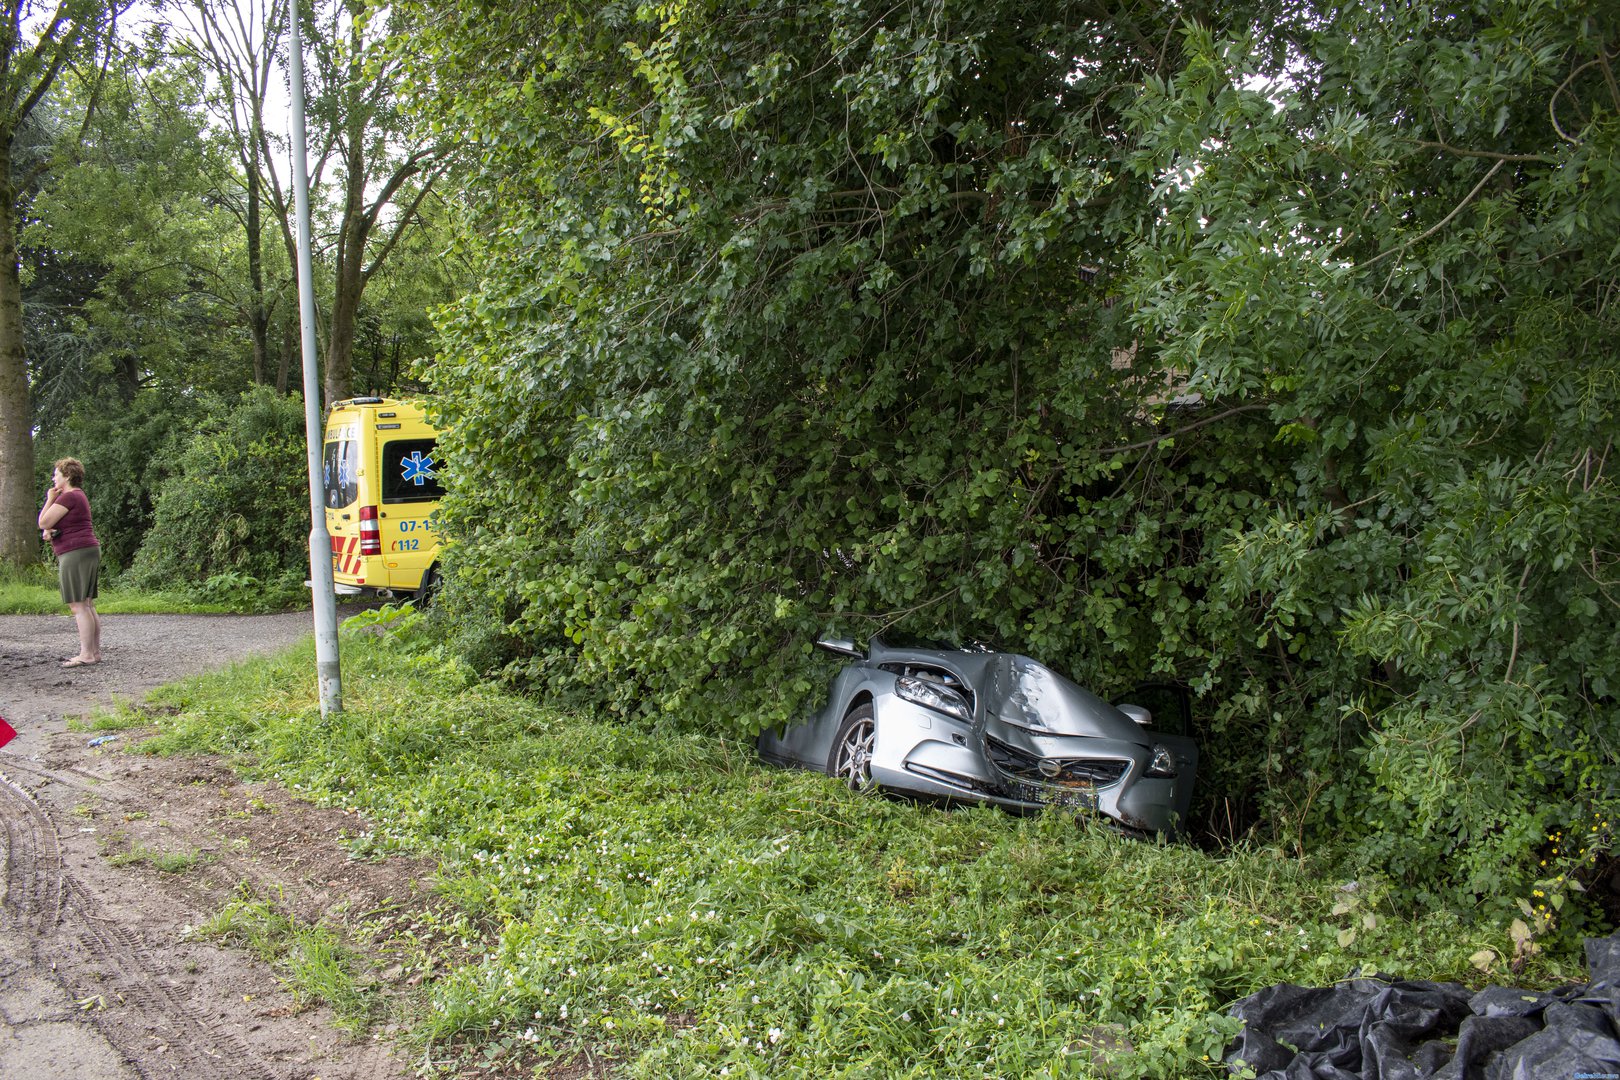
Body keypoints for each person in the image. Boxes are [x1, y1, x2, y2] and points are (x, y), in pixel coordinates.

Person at [38, 457, 101, 667]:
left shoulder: (68, 497)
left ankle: (86, 655)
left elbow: (43, 521)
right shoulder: (77, 496)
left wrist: (49, 499)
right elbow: (57, 525)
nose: (53, 478)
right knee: (87, 603)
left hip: (76, 552)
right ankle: (94, 652)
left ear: (66, 476)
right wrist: (52, 532)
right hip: (85, 549)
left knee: (78, 605)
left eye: (56, 474)